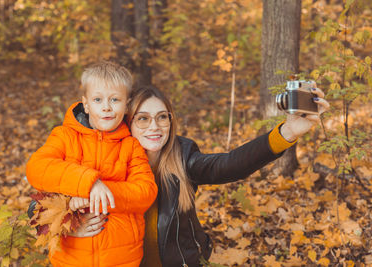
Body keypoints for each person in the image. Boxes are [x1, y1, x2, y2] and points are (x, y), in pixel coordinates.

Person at [65, 85, 330, 267]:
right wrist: (69, 226)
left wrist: (288, 132)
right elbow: (39, 207)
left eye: (162, 117)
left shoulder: (183, 156)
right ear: (127, 122)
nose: (154, 127)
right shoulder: (101, 160)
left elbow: (230, 165)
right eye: (142, 119)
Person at [26, 62, 158, 267]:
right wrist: (88, 183)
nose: (106, 106)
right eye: (98, 100)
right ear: (86, 104)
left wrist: (95, 194)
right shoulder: (64, 136)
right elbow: (37, 168)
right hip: (70, 257)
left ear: (126, 105)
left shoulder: (131, 145)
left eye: (115, 99)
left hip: (122, 259)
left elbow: (145, 191)